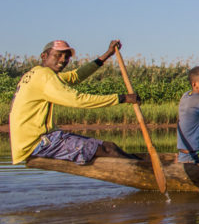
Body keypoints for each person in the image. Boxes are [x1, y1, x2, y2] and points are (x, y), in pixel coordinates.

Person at [9, 39, 141, 165]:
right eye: (58, 55)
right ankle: (143, 172)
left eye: (66, 57)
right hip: (38, 142)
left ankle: (141, 166)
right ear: (44, 56)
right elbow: (78, 100)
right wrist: (122, 98)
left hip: (32, 141)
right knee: (108, 150)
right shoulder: (45, 76)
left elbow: (75, 76)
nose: (63, 60)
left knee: (110, 147)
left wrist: (107, 54)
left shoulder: (35, 73)